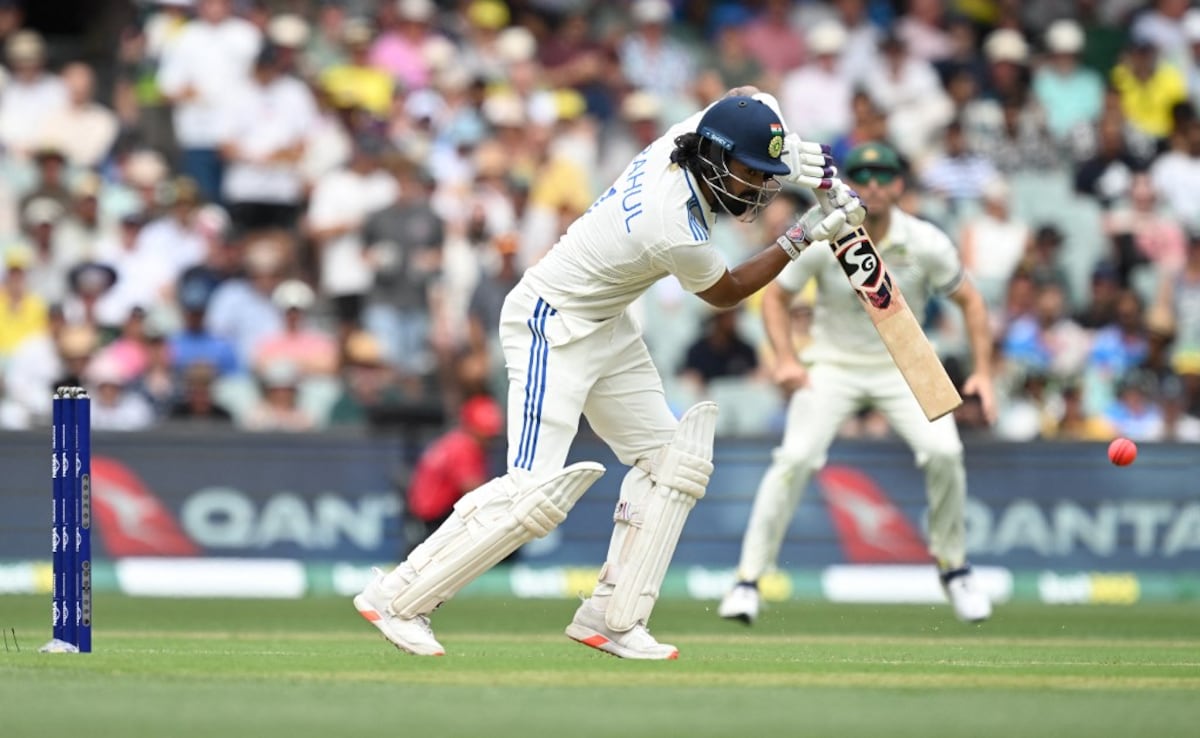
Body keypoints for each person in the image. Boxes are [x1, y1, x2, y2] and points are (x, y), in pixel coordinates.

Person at [352, 86, 864, 658]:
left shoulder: (690, 134)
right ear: (715, 159)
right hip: (552, 322)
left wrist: (791, 152)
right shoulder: (672, 223)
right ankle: (396, 597)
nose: (758, 188)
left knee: (675, 464)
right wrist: (804, 236)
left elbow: (750, 95)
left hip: (604, 319)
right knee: (533, 493)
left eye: (765, 175)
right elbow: (728, 291)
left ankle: (611, 617)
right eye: (750, 173)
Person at [717, 141, 996, 626]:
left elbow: (972, 302)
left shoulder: (925, 241)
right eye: (863, 176)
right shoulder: (829, 231)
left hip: (905, 366)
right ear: (849, 183)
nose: (873, 185)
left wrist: (984, 373)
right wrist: (786, 360)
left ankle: (954, 568)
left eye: (884, 176)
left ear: (900, 185)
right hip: (833, 364)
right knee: (795, 459)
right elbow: (776, 299)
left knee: (946, 453)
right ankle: (747, 581)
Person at [402, 394, 505, 555]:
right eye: (485, 435)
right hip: (435, 525)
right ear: (472, 428)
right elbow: (473, 490)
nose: (489, 442)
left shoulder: (452, 440)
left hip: (421, 520)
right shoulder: (464, 446)